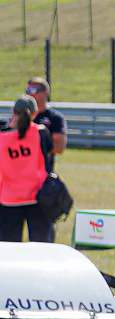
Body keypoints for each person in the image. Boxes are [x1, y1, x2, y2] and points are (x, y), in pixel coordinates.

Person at [0, 97, 54, 243]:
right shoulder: (41, 132)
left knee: (8, 250)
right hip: (38, 197)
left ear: (13, 112)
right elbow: (49, 152)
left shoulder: (2, 136)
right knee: (41, 248)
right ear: (34, 113)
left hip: (9, 199)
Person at [24, 76, 65, 160]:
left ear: (46, 92)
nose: (30, 94)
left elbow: (59, 148)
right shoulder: (21, 115)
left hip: (43, 166)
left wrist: (31, 146)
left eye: (33, 90)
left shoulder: (55, 117)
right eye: (28, 90)